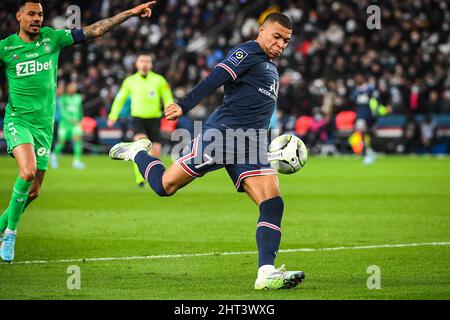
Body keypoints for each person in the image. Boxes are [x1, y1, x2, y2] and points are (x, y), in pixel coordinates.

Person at [109, 13, 305, 290]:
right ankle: (137, 152)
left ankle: (266, 272)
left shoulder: (269, 66)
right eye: (276, 36)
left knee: (273, 203)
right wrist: (184, 105)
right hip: (221, 137)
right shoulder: (246, 52)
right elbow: (216, 77)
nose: (281, 44)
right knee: (165, 186)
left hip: (251, 144)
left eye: (286, 40)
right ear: (262, 31)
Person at [0, 0, 156, 262]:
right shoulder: (6, 47)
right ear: (18, 17)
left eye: (40, 14)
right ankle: (11, 233)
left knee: (35, 191)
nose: (37, 18)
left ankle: (3, 224)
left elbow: (95, 30)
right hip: (18, 121)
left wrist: (130, 12)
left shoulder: (52, 39)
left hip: (44, 127)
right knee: (26, 173)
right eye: (31, 14)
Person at [107, 53, 174, 187]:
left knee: (155, 151)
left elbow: (167, 97)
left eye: (147, 61)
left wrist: (170, 110)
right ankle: (140, 179)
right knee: (141, 145)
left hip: (154, 118)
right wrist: (112, 115)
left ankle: (152, 175)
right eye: (141, 61)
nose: (144, 64)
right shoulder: (130, 81)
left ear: (151, 64)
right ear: (137, 64)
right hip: (138, 118)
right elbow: (120, 99)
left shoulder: (159, 80)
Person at [51, 82, 86, 169]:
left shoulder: (78, 98)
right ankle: (54, 156)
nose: (73, 89)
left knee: (78, 141)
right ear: (68, 88)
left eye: (75, 87)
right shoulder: (63, 98)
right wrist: (70, 119)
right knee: (61, 143)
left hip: (75, 125)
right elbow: (62, 112)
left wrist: (80, 120)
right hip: (65, 125)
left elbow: (80, 110)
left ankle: (76, 161)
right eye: (71, 87)